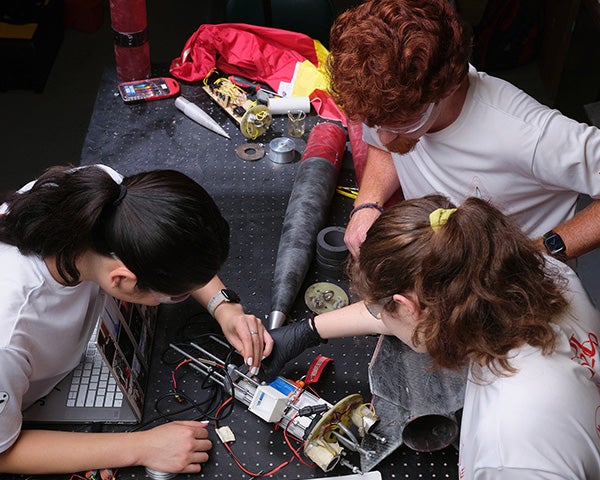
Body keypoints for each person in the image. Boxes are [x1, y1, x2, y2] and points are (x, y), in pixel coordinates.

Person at [265, 194, 600, 478]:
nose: (380, 317)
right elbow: (408, 316)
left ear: (409, 308)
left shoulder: (510, 451)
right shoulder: (540, 273)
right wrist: (308, 330)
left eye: (384, 310)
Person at [0, 164, 273, 475]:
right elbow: (3, 452)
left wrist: (224, 306)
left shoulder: (113, 197)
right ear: (123, 280)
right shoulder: (8, 334)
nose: (188, 293)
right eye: (176, 294)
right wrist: (143, 447)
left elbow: (169, 245)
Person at [326, 0, 600, 261]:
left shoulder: (528, 134)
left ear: (449, 87)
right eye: (375, 125)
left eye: (400, 125)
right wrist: (367, 206)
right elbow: (384, 144)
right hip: (438, 259)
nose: (383, 138)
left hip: (515, 287)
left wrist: (540, 252)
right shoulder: (391, 104)